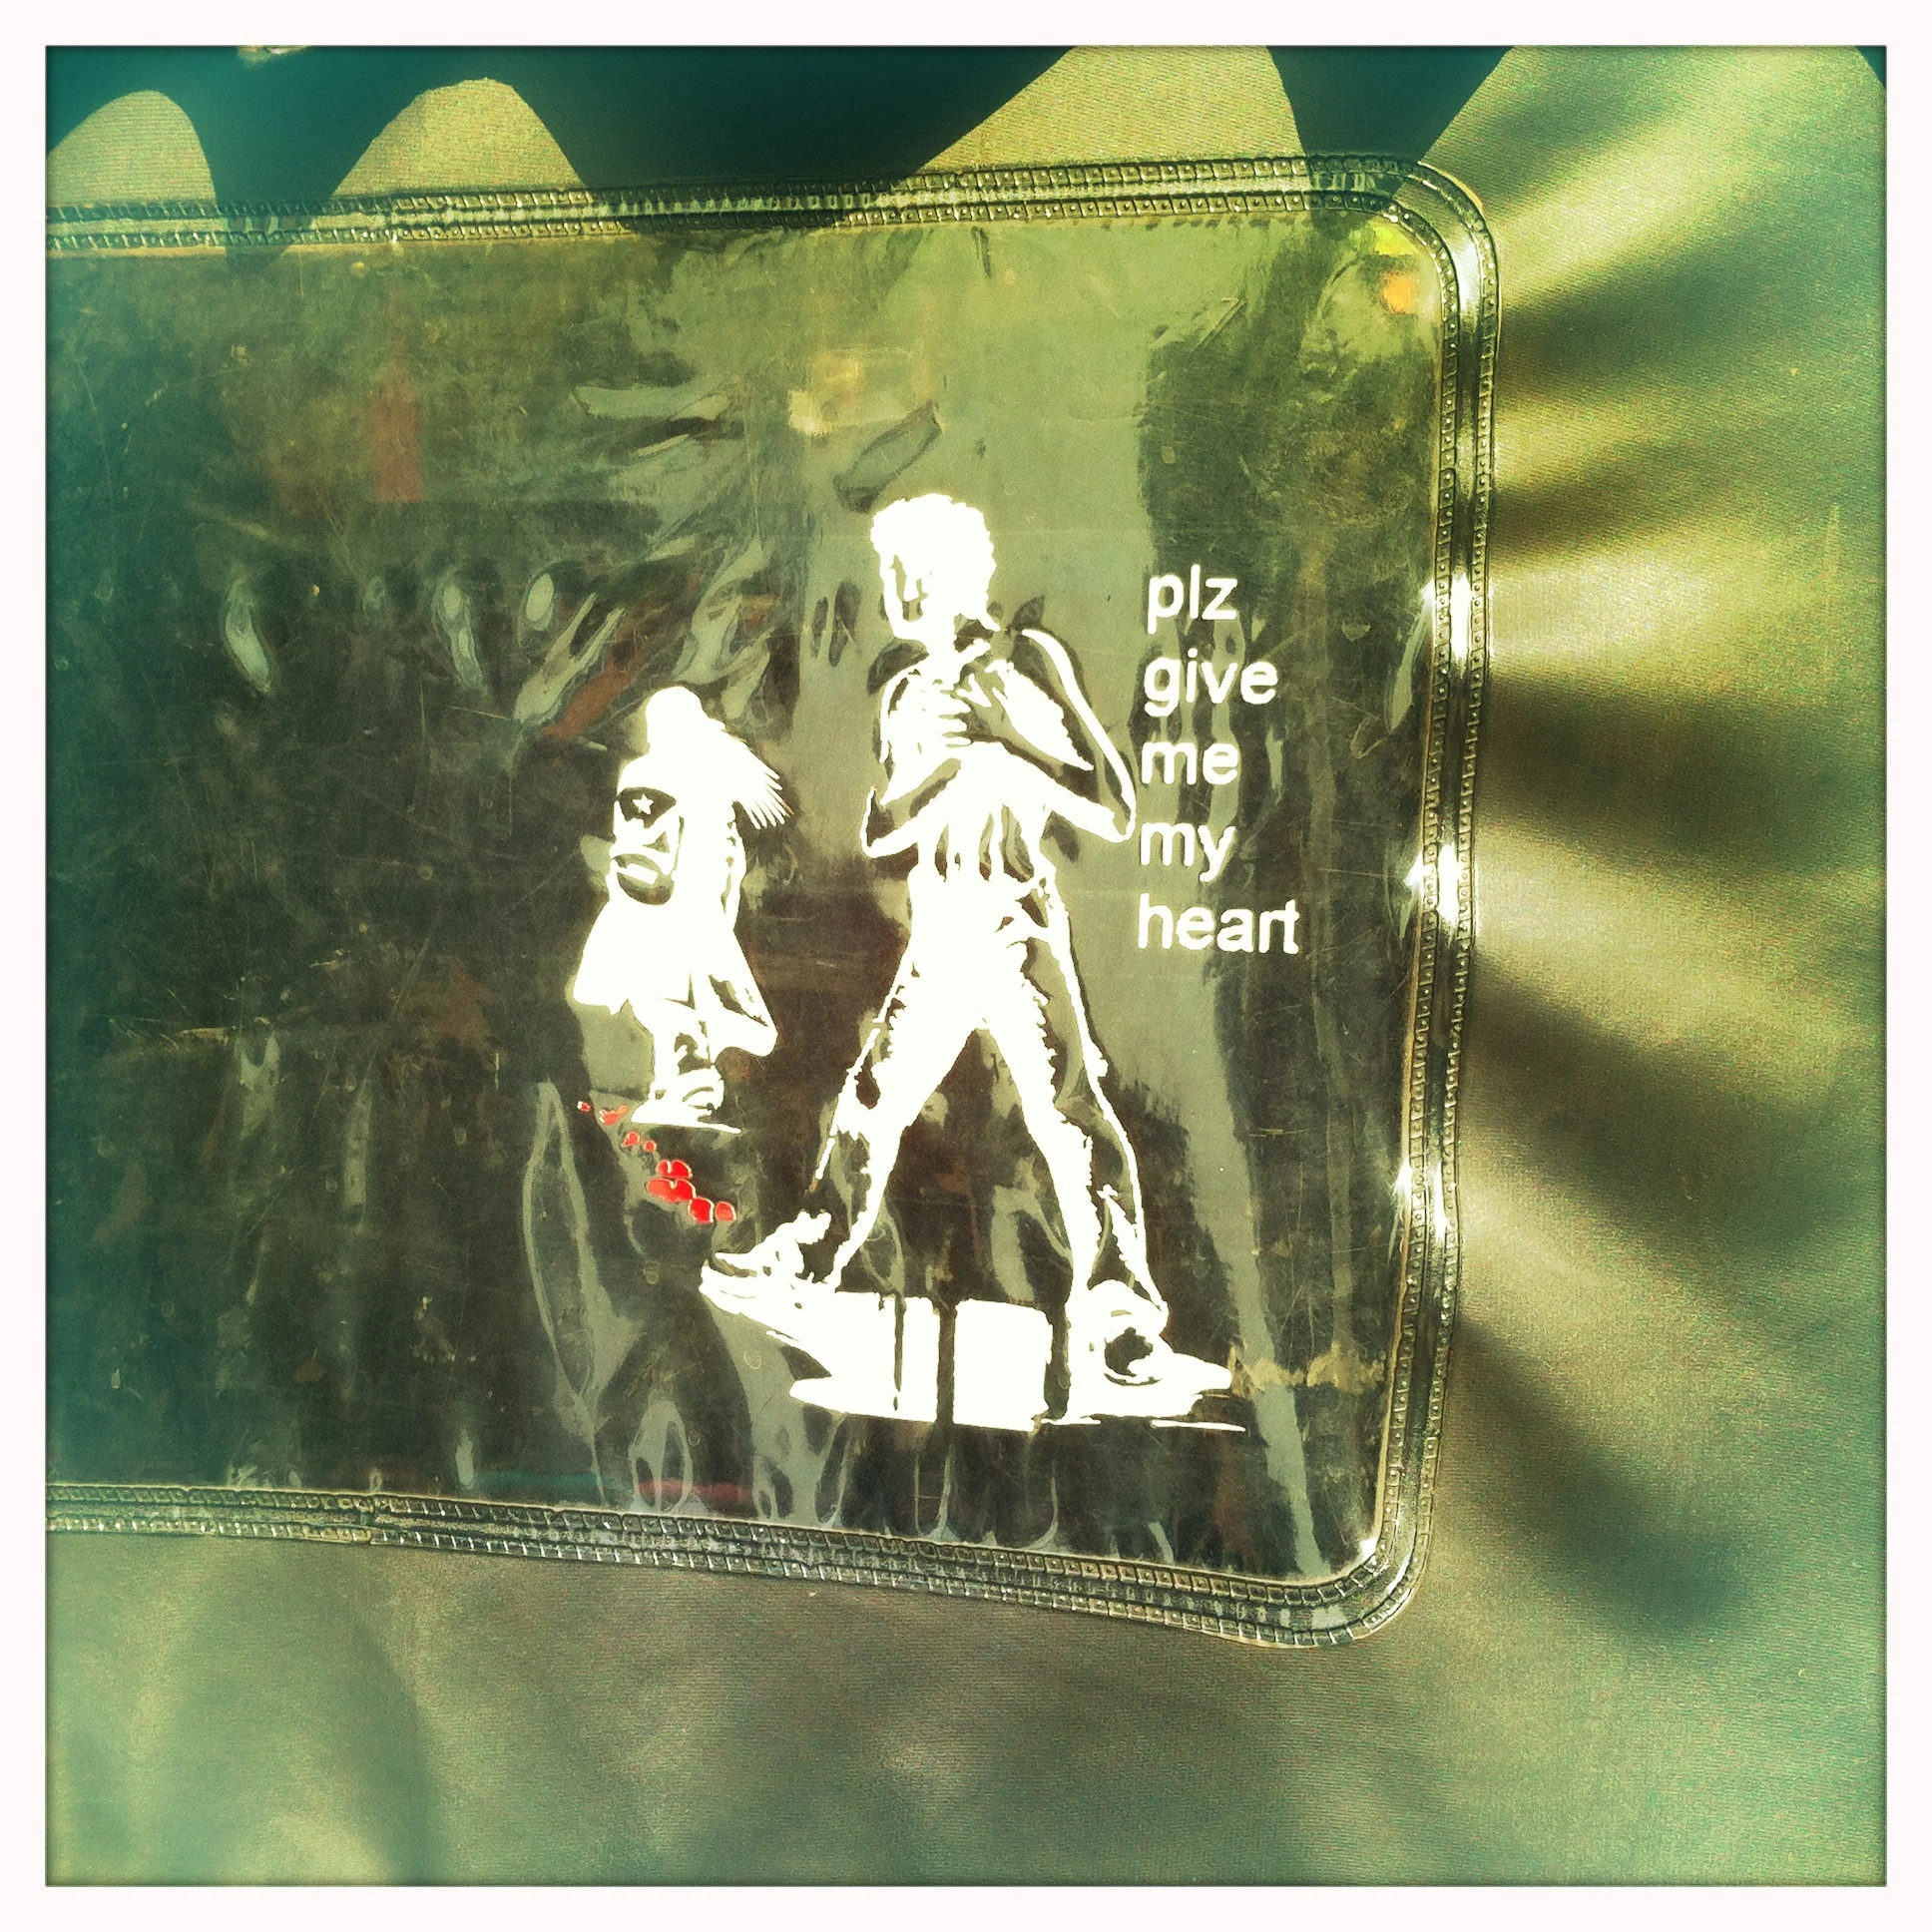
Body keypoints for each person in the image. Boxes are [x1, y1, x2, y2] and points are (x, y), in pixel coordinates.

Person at [703, 493, 1228, 1421]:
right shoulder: (905, 693)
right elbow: (879, 832)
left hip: (1016, 924)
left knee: (1069, 1113)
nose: (896, 591)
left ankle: (1121, 1323)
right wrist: (940, 771)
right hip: (941, 932)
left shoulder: (1027, 661)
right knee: (874, 1098)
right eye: (889, 572)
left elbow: (1111, 802)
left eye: (911, 571)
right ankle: (808, 1256)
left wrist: (1002, 747)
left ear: (957, 573)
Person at [571, 685, 785, 1125]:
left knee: (659, 998)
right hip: (699, 914)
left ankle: (688, 1081)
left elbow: (638, 840)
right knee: (683, 998)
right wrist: (717, 915)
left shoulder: (647, 773)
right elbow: (731, 863)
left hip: (657, 910)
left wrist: (625, 889)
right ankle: (689, 1082)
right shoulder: (713, 779)